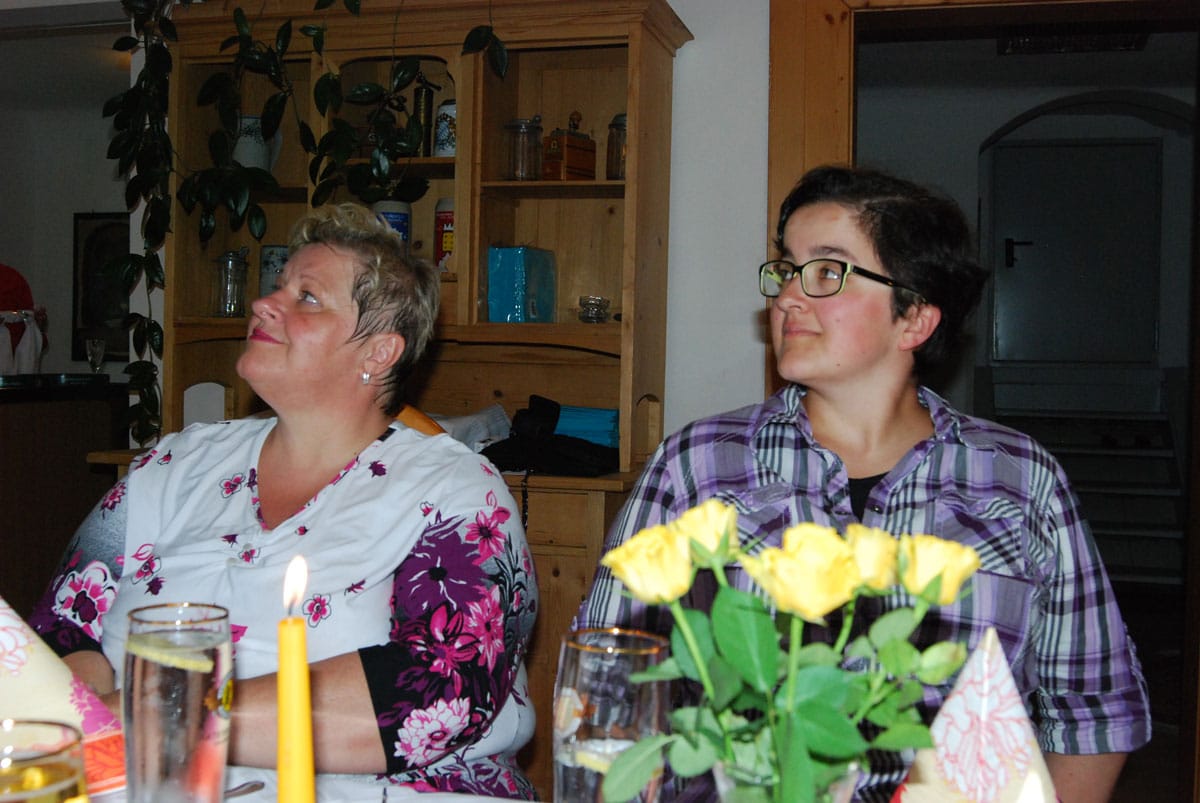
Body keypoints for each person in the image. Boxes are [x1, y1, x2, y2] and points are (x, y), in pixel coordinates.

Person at [576, 165, 1150, 802]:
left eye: (827, 272)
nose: (788, 297)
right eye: (787, 270)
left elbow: (1095, 714)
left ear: (914, 320)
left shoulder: (1021, 481)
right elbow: (604, 685)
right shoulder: (699, 464)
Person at [30, 203, 539, 799]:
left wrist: (159, 718)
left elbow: (442, 689)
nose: (263, 304)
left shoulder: (456, 493)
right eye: (277, 287)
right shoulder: (173, 466)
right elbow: (63, 629)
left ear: (378, 353)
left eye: (308, 297)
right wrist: (76, 710)